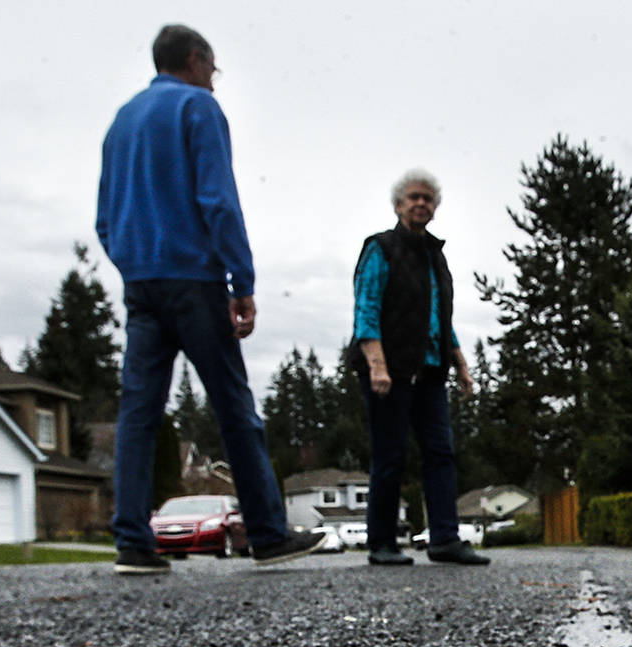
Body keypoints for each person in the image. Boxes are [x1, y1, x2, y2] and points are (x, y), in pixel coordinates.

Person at [96, 24, 323, 576]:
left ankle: (132, 541)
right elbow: (218, 199)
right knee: (233, 408)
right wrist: (240, 281)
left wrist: (134, 263)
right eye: (214, 69)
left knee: (139, 413)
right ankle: (267, 533)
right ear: (196, 60)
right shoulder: (197, 108)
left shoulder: (122, 120)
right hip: (194, 280)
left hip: (142, 283)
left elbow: (105, 218)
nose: (215, 82)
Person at [346, 170, 488, 566]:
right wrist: (377, 365)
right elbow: (366, 308)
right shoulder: (381, 248)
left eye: (428, 198)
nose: (421, 203)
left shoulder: (435, 257)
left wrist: (460, 366)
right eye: (414, 198)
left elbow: (440, 319)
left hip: (429, 372)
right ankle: (382, 543)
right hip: (389, 372)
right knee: (390, 455)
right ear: (398, 205)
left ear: (435, 207)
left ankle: (444, 539)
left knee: (441, 453)